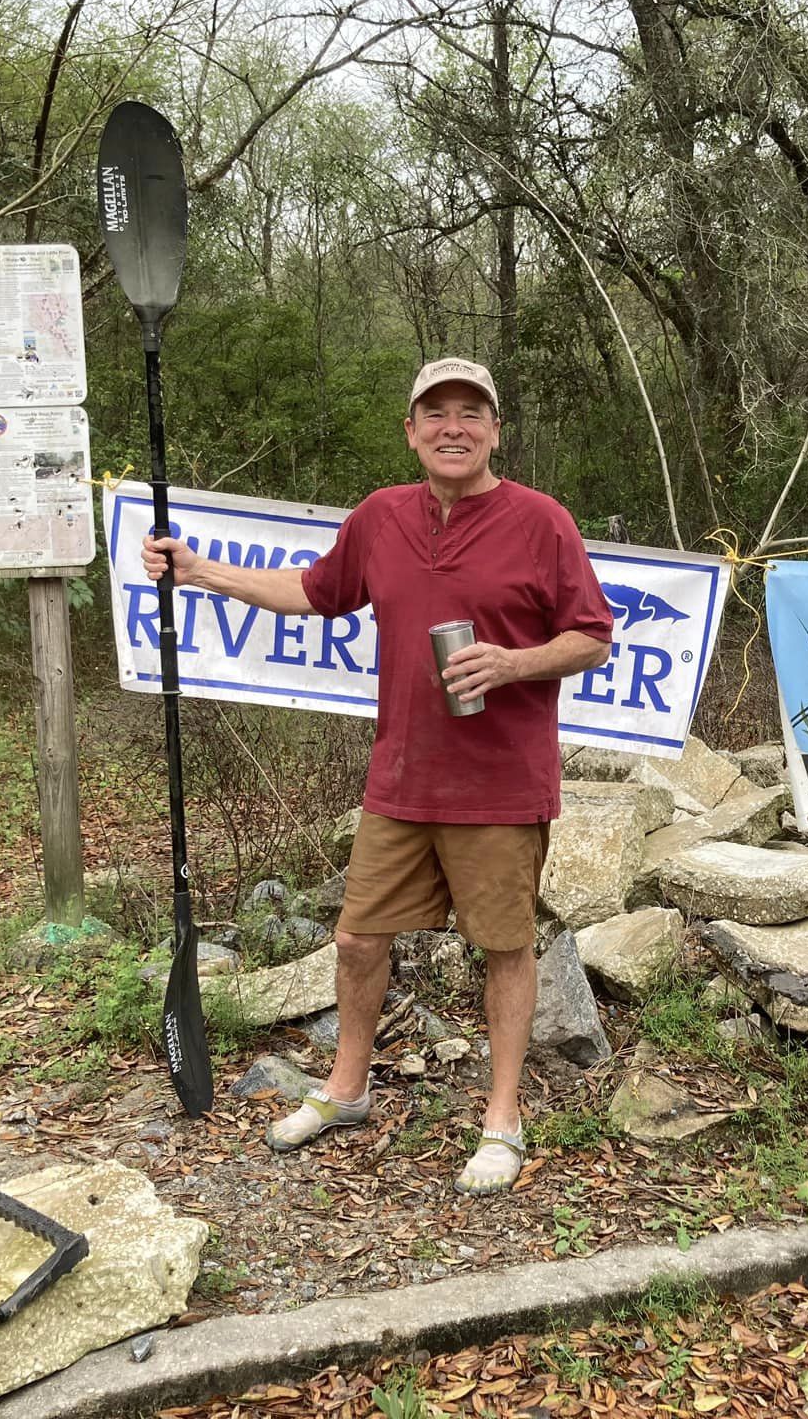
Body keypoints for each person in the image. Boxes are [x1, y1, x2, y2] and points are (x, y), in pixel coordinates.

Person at [141, 356, 611, 1194]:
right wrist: (200, 572)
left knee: (503, 948)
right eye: (436, 414)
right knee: (358, 939)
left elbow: (592, 637)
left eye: (472, 413)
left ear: (496, 430)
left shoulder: (542, 522)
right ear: (411, 431)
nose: (453, 427)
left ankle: (502, 1117)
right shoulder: (381, 517)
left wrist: (513, 665)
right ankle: (346, 1089)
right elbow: (313, 592)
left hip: (500, 784)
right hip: (400, 777)